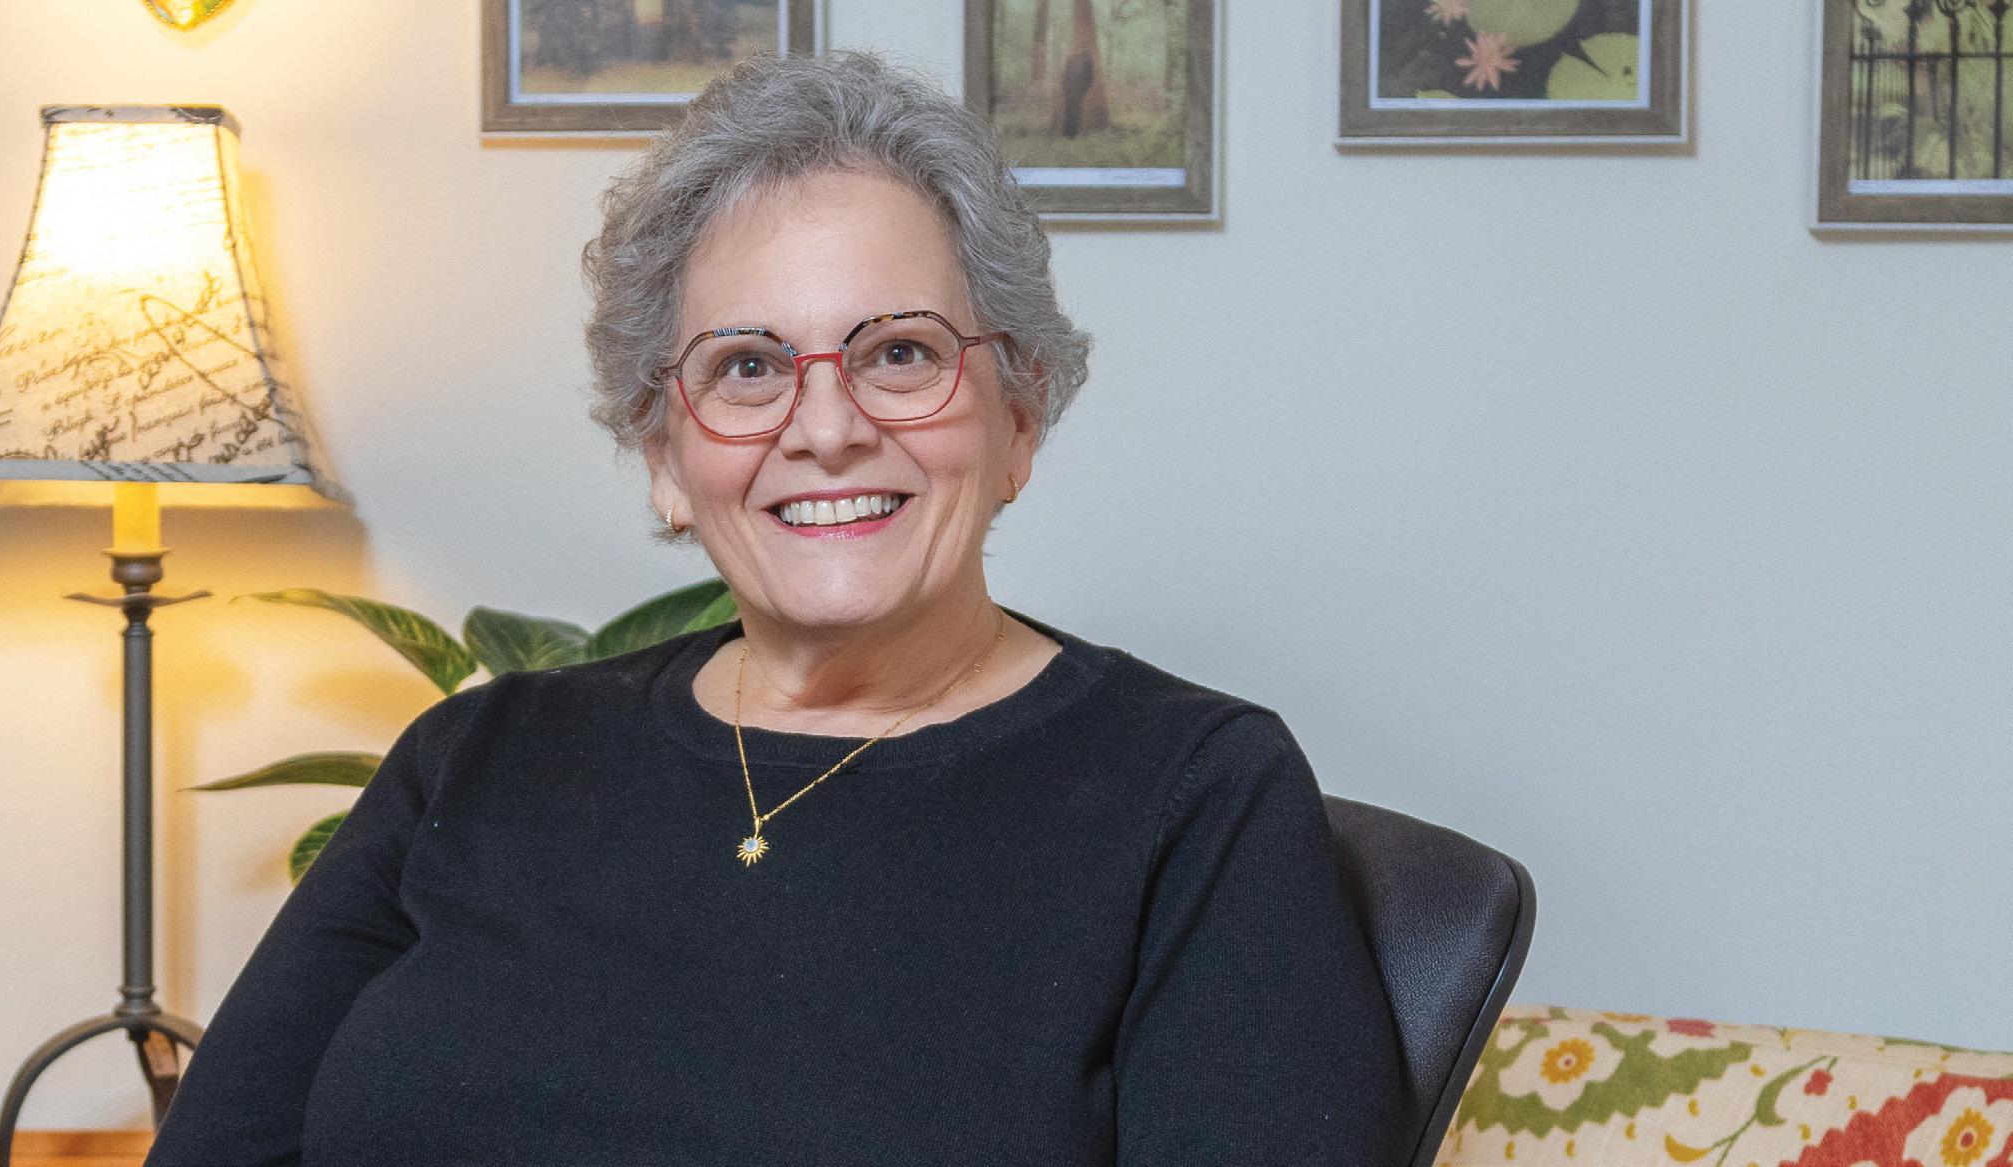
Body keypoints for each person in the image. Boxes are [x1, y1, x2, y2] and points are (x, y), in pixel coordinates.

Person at [146, 51, 1403, 1166]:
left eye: (899, 352)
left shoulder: (1194, 793)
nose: (827, 427)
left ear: (1017, 419)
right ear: (663, 456)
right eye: (747, 366)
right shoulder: (473, 758)